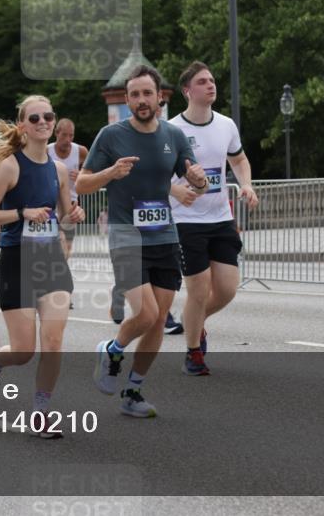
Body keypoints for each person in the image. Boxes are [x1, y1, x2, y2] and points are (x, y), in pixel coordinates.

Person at [77, 65, 206, 417]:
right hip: (126, 236)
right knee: (146, 314)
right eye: (134, 95)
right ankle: (112, 349)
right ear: (127, 100)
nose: (141, 100)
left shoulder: (174, 136)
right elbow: (82, 184)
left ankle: (133, 391)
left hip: (164, 235)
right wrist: (111, 172)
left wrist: (198, 180)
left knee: (160, 318)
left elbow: (197, 183)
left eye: (147, 93)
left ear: (159, 97)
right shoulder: (110, 136)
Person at [0, 96, 84, 437]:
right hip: (17, 260)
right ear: (22, 125)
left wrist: (74, 215)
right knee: (23, 351)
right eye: (34, 118)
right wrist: (22, 213)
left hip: (51, 260)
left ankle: (40, 411)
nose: (43, 122)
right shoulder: (10, 167)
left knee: (53, 340)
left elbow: (64, 216)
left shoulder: (58, 170)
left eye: (48, 116)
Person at [169, 62, 258, 376]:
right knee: (198, 288)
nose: (211, 85)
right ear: (187, 91)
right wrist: (175, 190)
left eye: (212, 80)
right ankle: (193, 353)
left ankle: (194, 321)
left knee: (227, 289)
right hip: (186, 220)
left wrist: (246, 184)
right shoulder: (172, 130)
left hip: (220, 218)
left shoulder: (226, 125)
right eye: (202, 81)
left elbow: (239, 159)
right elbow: (156, 173)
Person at [47, 118, 87, 259]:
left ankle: (60, 269)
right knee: (56, 242)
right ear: (56, 133)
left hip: (71, 204)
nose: (68, 139)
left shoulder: (81, 151)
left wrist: (81, 175)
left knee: (67, 247)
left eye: (71, 135)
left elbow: (90, 173)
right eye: (64, 135)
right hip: (51, 204)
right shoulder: (46, 151)